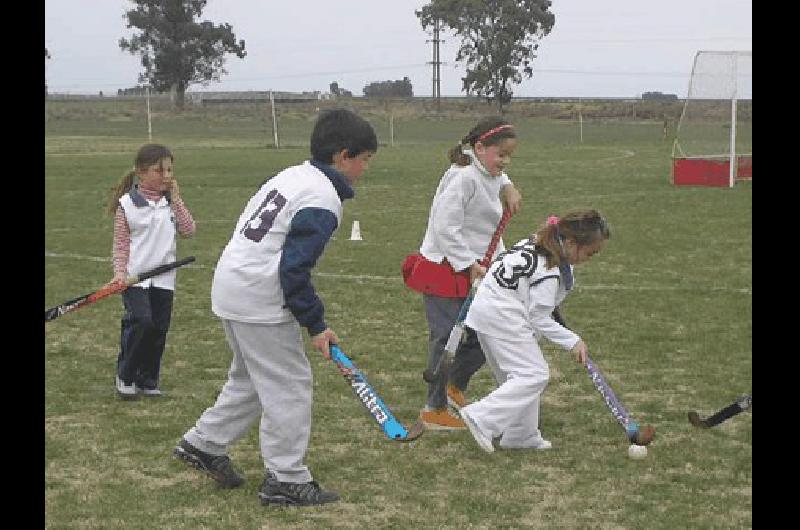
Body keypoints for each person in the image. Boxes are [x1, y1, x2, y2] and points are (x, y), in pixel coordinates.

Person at [173, 109, 378, 507]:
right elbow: (294, 271)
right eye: (365, 159)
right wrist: (316, 325)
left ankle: (204, 443)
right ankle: (286, 477)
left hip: (232, 286)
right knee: (289, 386)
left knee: (249, 379)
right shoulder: (321, 199)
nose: (365, 169)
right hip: (257, 295)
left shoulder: (294, 175)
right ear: (342, 155)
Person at [402, 117, 522, 430]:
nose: (505, 162)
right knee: (446, 339)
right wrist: (469, 264)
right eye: (501, 155)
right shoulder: (464, 178)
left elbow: (496, 174)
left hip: (477, 266)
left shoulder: (486, 169)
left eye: (510, 156)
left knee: (487, 333)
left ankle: (454, 385)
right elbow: (445, 228)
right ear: (479, 148)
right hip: (446, 267)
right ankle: (434, 408)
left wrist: (508, 185)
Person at [459, 209, 611, 453]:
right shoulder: (548, 271)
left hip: (486, 312)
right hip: (503, 316)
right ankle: (481, 418)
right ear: (570, 242)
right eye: (589, 253)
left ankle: (521, 434)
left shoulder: (540, 241)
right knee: (534, 374)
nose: (589, 259)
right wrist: (572, 341)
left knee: (521, 376)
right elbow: (539, 316)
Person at [106, 143, 196, 400]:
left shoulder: (170, 203)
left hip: (164, 279)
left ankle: (147, 380)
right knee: (141, 322)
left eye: (169, 170)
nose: (167, 176)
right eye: (160, 170)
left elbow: (189, 231)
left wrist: (176, 199)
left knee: (158, 329)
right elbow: (122, 244)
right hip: (135, 279)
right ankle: (126, 375)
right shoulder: (128, 204)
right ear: (142, 173)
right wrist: (119, 273)